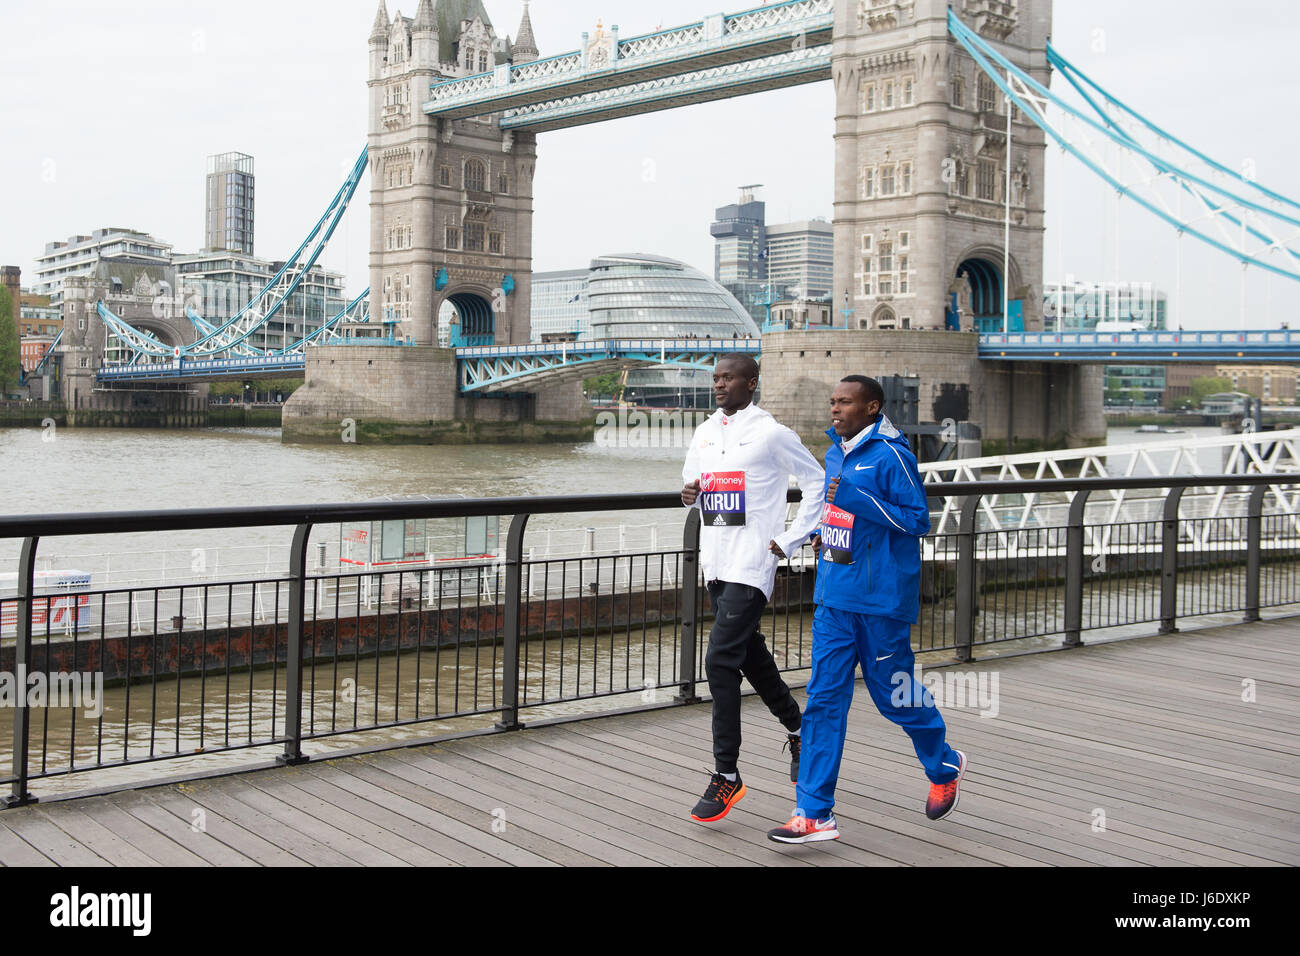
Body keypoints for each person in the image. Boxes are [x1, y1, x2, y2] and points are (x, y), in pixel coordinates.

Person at [767, 375, 966, 844]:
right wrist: (827, 533)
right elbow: (844, 513)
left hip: (880, 603)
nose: (835, 409)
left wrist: (856, 500)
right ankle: (814, 813)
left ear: (872, 407)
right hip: (834, 598)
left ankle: (943, 762)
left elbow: (917, 520)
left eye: (846, 402)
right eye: (833, 402)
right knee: (822, 702)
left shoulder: (893, 454)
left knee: (894, 698)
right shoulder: (836, 451)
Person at [680, 354, 826, 823]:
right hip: (716, 563)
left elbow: (818, 481)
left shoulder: (772, 433)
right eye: (716, 378)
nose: (720, 384)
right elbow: (692, 482)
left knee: (719, 659)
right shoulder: (705, 431)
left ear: (751, 382)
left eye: (729, 377)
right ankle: (800, 727)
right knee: (749, 655)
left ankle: (727, 775)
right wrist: (688, 491)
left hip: (753, 562)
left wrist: (790, 538)